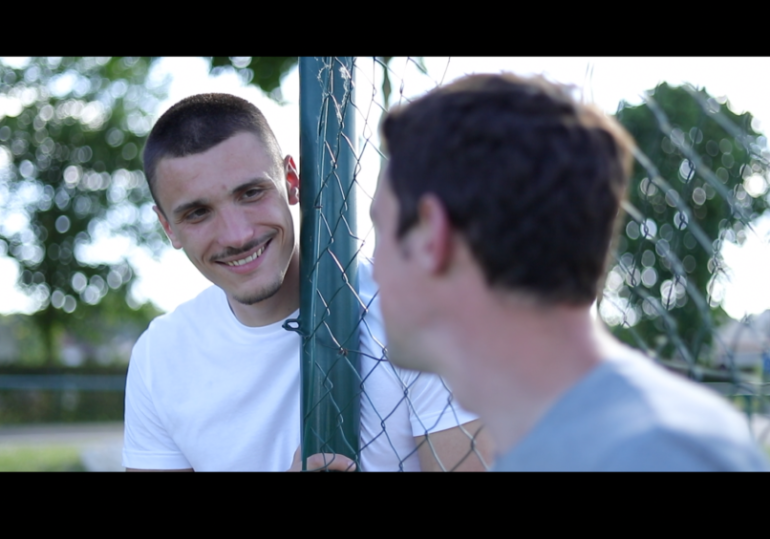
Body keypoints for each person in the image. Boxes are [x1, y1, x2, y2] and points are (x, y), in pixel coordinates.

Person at [369, 73, 770, 471]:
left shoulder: (654, 453)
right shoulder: (596, 440)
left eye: (381, 230)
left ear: (431, 237)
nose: (374, 270)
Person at [121, 93, 492, 472]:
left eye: (251, 193)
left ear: (292, 181)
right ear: (168, 227)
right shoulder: (159, 356)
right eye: (198, 213)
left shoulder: (423, 314)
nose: (237, 235)